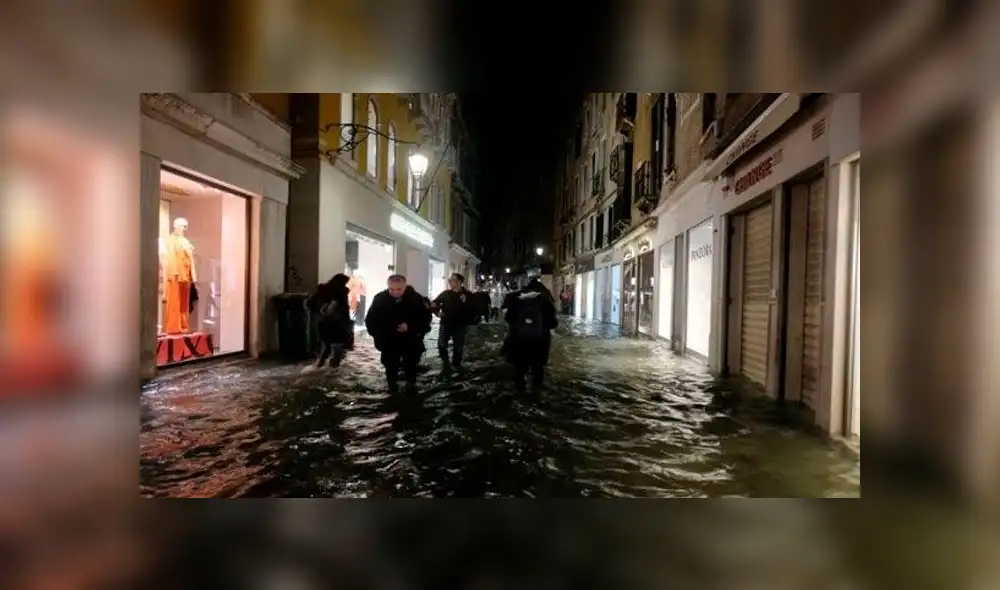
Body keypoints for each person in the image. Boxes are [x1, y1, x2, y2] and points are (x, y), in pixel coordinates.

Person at [365, 275, 432, 391]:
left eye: (399, 289)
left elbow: (426, 319)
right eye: (391, 289)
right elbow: (370, 320)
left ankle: (411, 386)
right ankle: (392, 386)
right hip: (389, 340)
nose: (395, 292)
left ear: (405, 286)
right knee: (390, 366)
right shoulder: (380, 299)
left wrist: (410, 327)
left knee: (411, 364)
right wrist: (378, 335)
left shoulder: (416, 299)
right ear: (387, 286)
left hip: (410, 340)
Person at [503, 278, 558, 390]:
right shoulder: (545, 301)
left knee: (519, 373)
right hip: (539, 344)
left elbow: (508, 318)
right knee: (537, 372)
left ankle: (520, 393)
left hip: (519, 342)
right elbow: (553, 323)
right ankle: (536, 395)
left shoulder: (518, 299)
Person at [305, 273, 353, 370]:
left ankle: (319, 367)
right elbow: (343, 311)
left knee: (326, 347)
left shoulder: (322, 291)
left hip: (323, 323)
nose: (346, 285)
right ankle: (332, 371)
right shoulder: (340, 293)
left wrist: (320, 312)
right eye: (345, 282)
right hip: (337, 324)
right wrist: (347, 326)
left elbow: (310, 304)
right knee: (337, 349)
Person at [432, 273, 475, 376]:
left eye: (453, 280)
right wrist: (437, 312)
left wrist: (466, 302)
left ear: (460, 282)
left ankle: (456, 364)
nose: (451, 282)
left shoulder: (468, 294)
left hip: (460, 324)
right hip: (446, 323)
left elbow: (474, 309)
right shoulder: (445, 293)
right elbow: (435, 303)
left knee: (458, 346)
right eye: (450, 280)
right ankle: (446, 365)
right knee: (441, 344)